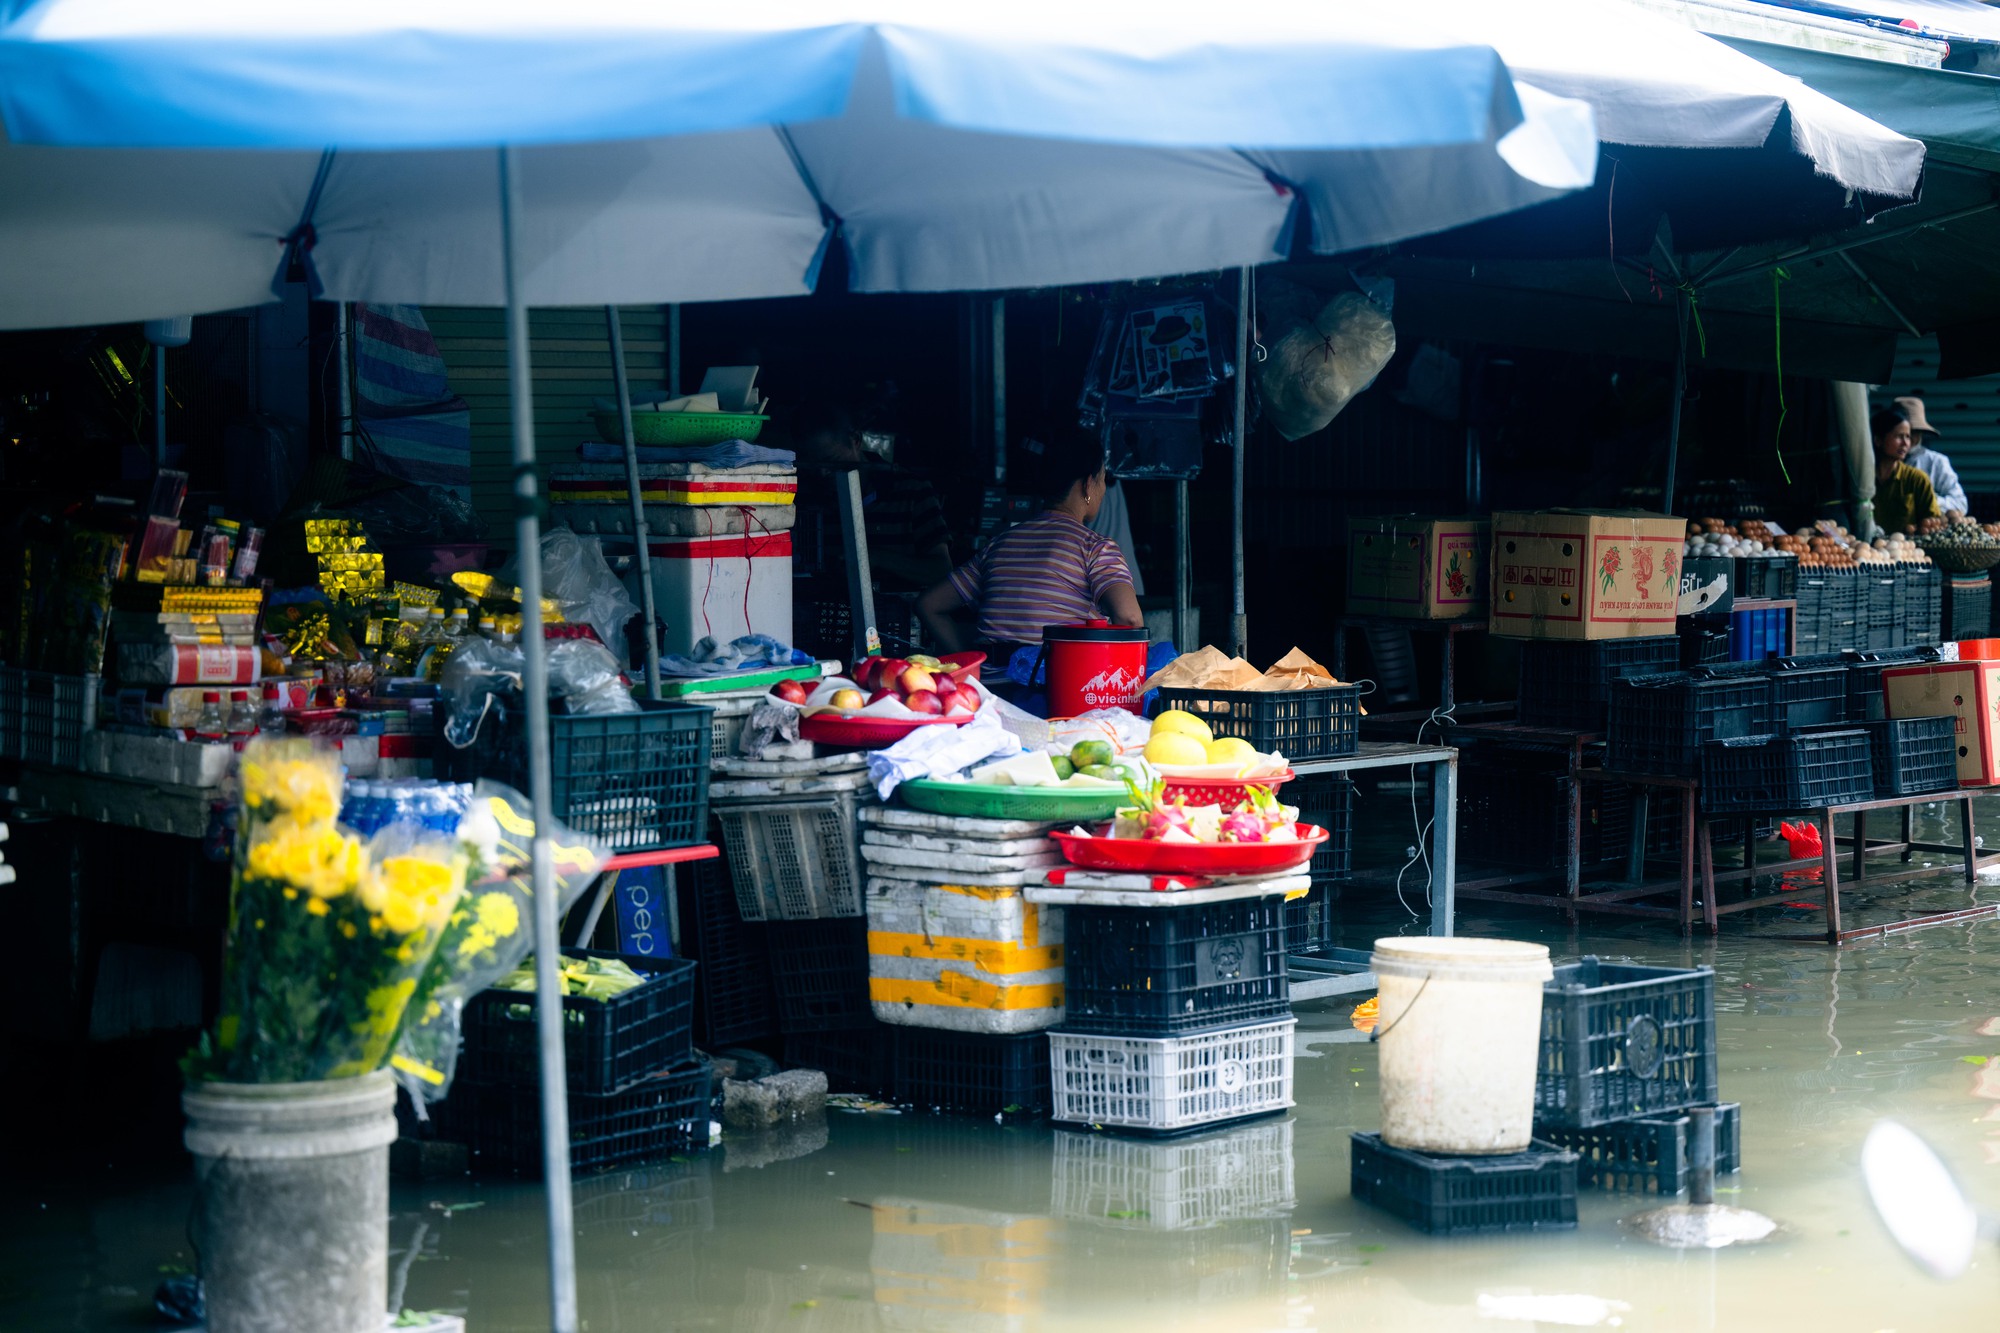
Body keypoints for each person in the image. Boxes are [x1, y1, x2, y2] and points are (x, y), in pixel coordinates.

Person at [918, 428, 1143, 659]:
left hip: (991, 691)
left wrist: (975, 658)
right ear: (1088, 485)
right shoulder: (1095, 548)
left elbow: (929, 605)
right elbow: (1129, 618)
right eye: (1102, 480)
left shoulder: (999, 545)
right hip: (1058, 690)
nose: (1103, 490)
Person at [1870, 404, 1941, 535]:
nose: (1906, 443)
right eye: (1899, 436)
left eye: (1907, 436)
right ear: (1878, 440)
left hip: (1906, 551)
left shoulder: (1917, 480)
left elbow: (1932, 523)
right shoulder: (1863, 480)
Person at [1894, 395, 1968, 517]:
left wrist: (1928, 500)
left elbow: (1960, 504)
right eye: (1900, 435)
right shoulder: (1880, 463)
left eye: (1912, 433)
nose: (1906, 440)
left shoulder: (1936, 462)